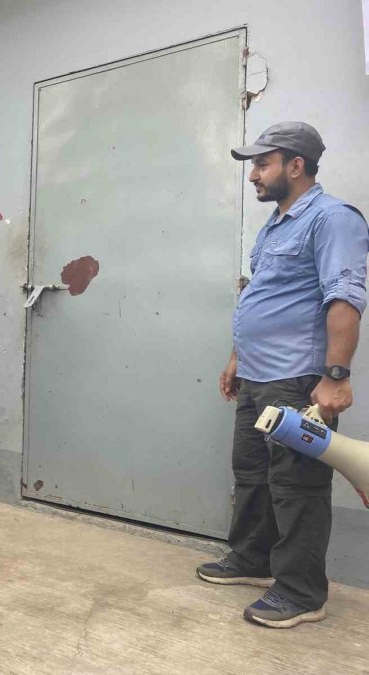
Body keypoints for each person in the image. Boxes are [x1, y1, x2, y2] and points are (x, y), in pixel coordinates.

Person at [196, 122, 369, 628]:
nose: (253, 175)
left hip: (298, 380)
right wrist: (236, 358)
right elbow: (262, 297)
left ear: (296, 166)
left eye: (262, 163)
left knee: (298, 485)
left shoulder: (333, 219)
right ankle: (253, 560)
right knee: (251, 473)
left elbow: (345, 297)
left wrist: (336, 375)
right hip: (257, 375)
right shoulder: (275, 225)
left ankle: (301, 592)